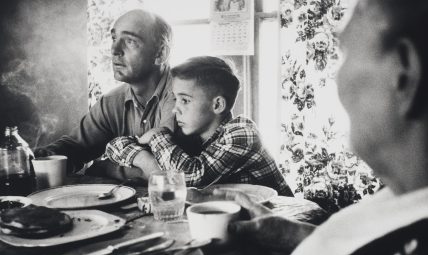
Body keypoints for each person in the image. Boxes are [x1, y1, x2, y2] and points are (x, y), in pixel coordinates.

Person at [214, 0, 428, 255]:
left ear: (403, 74)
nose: (336, 79)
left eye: (344, 53)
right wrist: (293, 235)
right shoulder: (419, 193)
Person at [105, 56, 294, 197]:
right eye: (175, 99)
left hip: (284, 223)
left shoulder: (242, 132)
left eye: (185, 100)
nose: (174, 110)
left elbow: (190, 177)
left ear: (217, 105)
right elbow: (114, 146)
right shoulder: (190, 132)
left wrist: (156, 136)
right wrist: (147, 161)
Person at [34, 10, 175, 181]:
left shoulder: (183, 97)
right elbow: (77, 147)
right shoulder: (112, 102)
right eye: (114, 39)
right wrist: (42, 156)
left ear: (160, 53)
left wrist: (104, 168)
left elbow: (167, 172)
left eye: (130, 41)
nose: (115, 50)